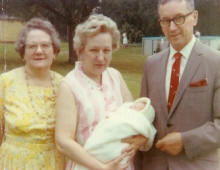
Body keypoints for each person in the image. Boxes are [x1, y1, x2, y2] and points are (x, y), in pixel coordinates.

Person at [55, 14, 148, 170]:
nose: (100, 57)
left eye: (106, 50)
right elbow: (63, 141)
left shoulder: (115, 76)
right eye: (94, 50)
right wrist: (101, 167)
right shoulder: (69, 85)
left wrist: (140, 139)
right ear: (80, 51)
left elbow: (135, 119)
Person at [134, 0, 220, 170]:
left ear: (194, 17)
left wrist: (185, 141)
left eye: (179, 18)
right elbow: (143, 118)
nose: (172, 27)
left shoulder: (216, 63)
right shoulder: (151, 64)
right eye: (165, 21)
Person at [0, 18, 64, 169]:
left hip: (53, 164)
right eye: (32, 46)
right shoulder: (5, 82)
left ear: (54, 52)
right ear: (23, 53)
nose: (39, 51)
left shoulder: (65, 85)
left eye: (45, 45)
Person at [74, 97, 156, 170]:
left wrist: (143, 137)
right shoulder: (68, 86)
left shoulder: (138, 119)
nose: (132, 107)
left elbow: (147, 128)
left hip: (118, 154)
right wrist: (103, 167)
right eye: (134, 105)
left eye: (137, 107)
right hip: (87, 155)